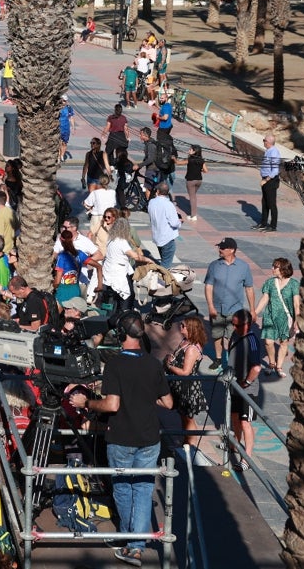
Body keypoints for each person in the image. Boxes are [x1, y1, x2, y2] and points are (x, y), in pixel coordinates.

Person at [69, 311, 172, 568]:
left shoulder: (115, 364)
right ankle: (135, 544)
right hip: (149, 437)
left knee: (123, 488)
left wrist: (87, 402)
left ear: (121, 335)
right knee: (143, 488)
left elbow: (112, 404)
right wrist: (144, 397)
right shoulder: (152, 363)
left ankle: (130, 542)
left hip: (122, 437)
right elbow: (167, 402)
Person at [203, 238, 255, 371]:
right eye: (219, 247)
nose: (219, 250)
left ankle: (232, 361)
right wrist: (210, 306)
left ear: (232, 250)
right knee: (216, 335)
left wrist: (252, 310)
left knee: (234, 337)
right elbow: (208, 286)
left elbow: (249, 288)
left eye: (222, 248)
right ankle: (218, 359)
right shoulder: (214, 265)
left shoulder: (243, 267)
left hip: (235, 310)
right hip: (217, 309)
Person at [226, 309, 263, 471]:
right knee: (234, 418)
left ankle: (246, 459)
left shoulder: (252, 341)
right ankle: (234, 445)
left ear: (247, 324)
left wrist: (246, 383)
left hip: (248, 390)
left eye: (237, 325)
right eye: (232, 324)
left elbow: (256, 368)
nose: (234, 328)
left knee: (245, 422)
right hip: (235, 386)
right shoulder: (235, 335)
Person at [253, 257, 301, 377]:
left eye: (275, 267)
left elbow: (296, 303)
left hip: (285, 317)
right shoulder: (270, 282)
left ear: (283, 269)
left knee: (283, 342)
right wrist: (254, 312)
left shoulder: (294, 284)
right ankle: (271, 363)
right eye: (273, 266)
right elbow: (265, 299)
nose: (272, 268)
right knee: (268, 342)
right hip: (270, 316)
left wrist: (297, 319)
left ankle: (279, 367)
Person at [165, 316, 209, 447]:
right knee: (183, 415)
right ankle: (186, 441)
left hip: (187, 387)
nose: (180, 327)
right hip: (180, 386)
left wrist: (169, 366)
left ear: (190, 328)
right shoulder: (185, 342)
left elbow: (185, 372)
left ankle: (191, 443)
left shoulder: (191, 349)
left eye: (183, 325)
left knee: (188, 417)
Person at [99, 217, 152, 316]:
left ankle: (113, 313)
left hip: (109, 272)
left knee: (113, 295)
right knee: (128, 295)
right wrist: (147, 259)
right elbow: (135, 256)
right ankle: (125, 313)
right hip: (118, 273)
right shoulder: (122, 242)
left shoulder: (111, 239)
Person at [146, 182, 182, 269]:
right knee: (165, 265)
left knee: (164, 260)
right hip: (167, 238)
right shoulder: (168, 204)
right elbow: (174, 222)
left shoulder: (151, 202)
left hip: (157, 236)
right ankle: (161, 280)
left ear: (157, 191)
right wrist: (179, 222)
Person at [256, 134, 282, 232]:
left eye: (264, 140)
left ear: (269, 142)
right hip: (266, 179)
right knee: (265, 202)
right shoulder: (268, 151)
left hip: (270, 181)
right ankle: (263, 223)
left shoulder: (274, 152)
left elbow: (275, 170)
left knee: (271, 204)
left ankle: (273, 226)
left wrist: (265, 180)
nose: (263, 142)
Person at [183, 144, 207, 222]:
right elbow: (206, 170)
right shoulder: (201, 160)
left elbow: (179, 163)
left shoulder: (189, 160)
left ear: (194, 152)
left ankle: (193, 215)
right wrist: (200, 170)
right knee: (193, 195)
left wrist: (174, 159)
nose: (188, 151)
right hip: (199, 180)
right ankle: (193, 212)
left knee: (192, 197)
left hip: (191, 181)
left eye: (190, 150)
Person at [58, 94, 74, 161]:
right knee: (58, 143)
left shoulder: (69, 108)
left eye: (65, 101)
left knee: (64, 142)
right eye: (63, 101)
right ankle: (58, 157)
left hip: (66, 128)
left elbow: (71, 117)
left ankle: (62, 155)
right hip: (58, 127)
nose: (64, 102)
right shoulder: (57, 108)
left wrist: (73, 127)